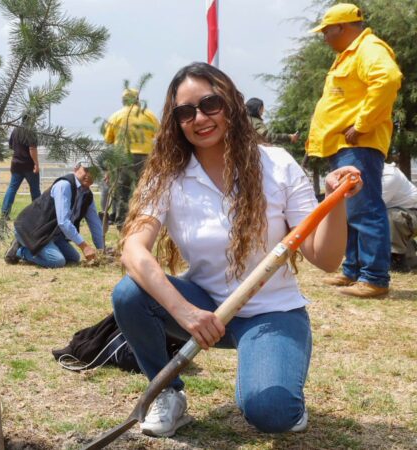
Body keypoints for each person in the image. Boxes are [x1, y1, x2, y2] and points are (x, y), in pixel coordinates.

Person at [112, 62, 362, 438]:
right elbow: (133, 249)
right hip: (205, 308)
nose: (200, 118)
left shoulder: (276, 164)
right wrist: (186, 311)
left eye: (210, 103)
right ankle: (167, 394)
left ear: (230, 103)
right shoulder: (167, 174)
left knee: (272, 415)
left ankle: (279, 379)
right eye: (185, 112)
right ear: (175, 121)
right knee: (130, 294)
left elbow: (325, 260)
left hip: (272, 313)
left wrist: (334, 202)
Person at [307, 3, 402, 298]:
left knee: (365, 208)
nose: (324, 37)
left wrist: (362, 124)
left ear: (342, 27)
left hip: (358, 143)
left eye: (326, 31)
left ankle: (374, 278)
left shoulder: (369, 48)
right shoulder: (350, 54)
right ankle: (353, 271)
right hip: (345, 144)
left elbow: (387, 79)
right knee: (349, 210)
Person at [4, 160, 104, 268]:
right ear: (76, 169)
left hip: (51, 233)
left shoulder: (87, 195)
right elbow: (63, 222)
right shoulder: (64, 185)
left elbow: (95, 224)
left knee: (74, 258)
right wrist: (84, 246)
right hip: (31, 229)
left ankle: (32, 247)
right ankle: (20, 250)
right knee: (57, 261)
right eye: (86, 170)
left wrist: (101, 250)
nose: (90, 175)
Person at [103, 88, 160, 228]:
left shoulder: (116, 116)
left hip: (123, 157)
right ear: (137, 99)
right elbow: (159, 135)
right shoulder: (150, 115)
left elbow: (108, 139)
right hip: (145, 157)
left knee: (122, 190)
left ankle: (121, 222)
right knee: (144, 190)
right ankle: (143, 220)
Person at [0, 115, 41, 220]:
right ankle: (38, 214)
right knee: (35, 190)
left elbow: (11, 146)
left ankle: (4, 213)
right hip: (29, 166)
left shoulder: (15, 130)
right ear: (31, 119)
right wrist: (36, 164)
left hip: (16, 164)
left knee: (12, 188)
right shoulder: (31, 131)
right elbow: (32, 148)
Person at [382, 162, 417, 272]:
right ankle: (408, 249)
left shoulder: (388, 174)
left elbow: (373, 206)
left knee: (391, 216)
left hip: (411, 213)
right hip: (403, 216)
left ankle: (397, 258)